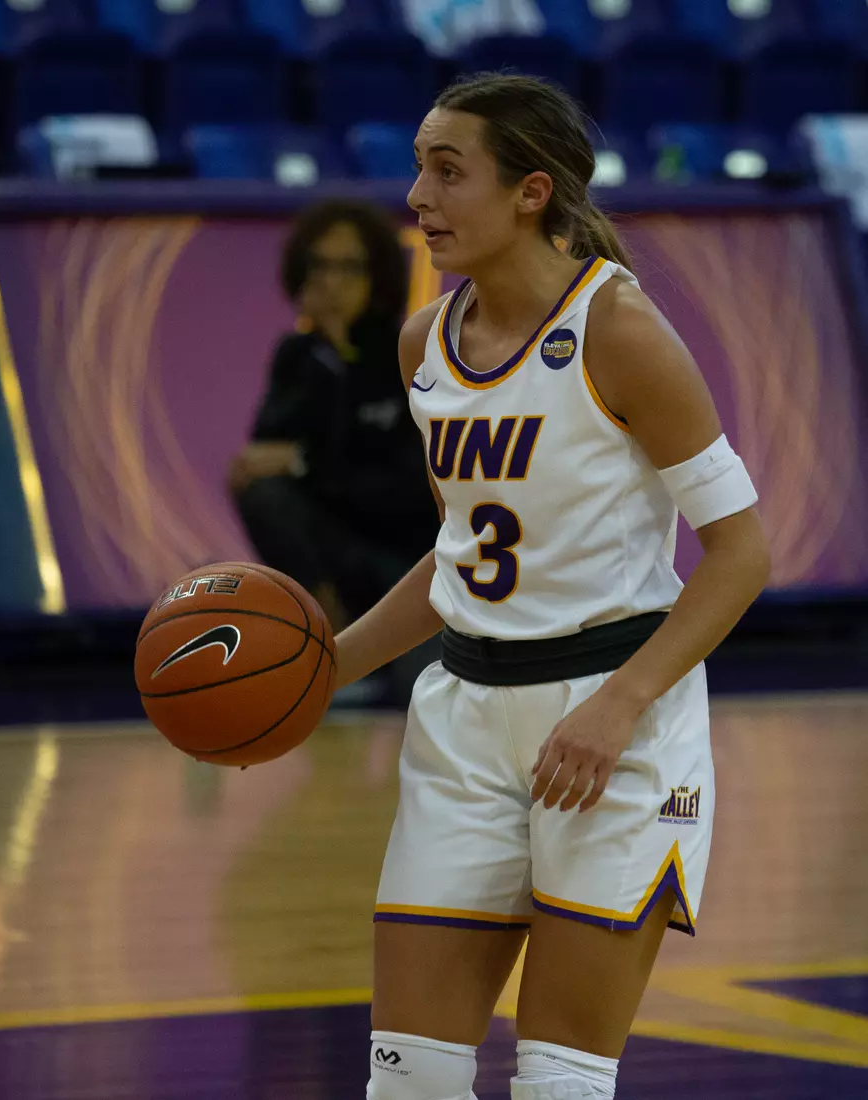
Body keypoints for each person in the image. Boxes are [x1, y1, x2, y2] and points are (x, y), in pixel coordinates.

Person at [334, 74, 771, 1099]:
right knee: (406, 1083)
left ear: (531, 192)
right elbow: (462, 551)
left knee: (558, 1084)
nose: (417, 196)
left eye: (448, 172)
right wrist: (329, 663)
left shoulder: (617, 330)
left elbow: (741, 551)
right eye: (416, 167)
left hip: (612, 716)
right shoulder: (422, 343)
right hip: (461, 716)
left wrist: (617, 705)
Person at [230, 200, 440, 633]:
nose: (331, 283)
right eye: (319, 266)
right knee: (261, 493)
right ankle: (321, 630)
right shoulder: (299, 357)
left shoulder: (407, 352)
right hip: (329, 553)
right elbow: (264, 453)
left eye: (349, 268)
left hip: (406, 560)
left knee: (419, 687)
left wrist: (304, 463)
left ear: (378, 277)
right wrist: (329, 358)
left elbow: (407, 490)